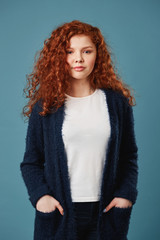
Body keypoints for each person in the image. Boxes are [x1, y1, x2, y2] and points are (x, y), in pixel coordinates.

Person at [20, 20, 139, 240]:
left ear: (97, 55)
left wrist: (126, 195)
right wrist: (40, 196)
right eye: (69, 51)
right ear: (59, 57)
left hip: (107, 212)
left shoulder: (116, 103)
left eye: (87, 51)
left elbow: (129, 156)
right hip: (59, 212)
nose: (78, 59)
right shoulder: (46, 106)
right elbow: (31, 162)